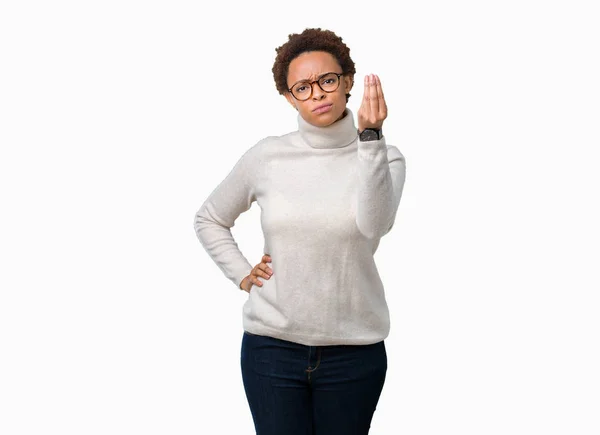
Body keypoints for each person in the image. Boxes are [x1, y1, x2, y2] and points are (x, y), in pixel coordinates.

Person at [193, 27, 407, 435]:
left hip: (354, 351)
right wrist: (241, 272)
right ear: (289, 97)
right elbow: (210, 218)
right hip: (271, 348)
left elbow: (374, 225)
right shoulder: (267, 156)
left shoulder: (384, 156)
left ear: (347, 81)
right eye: (302, 88)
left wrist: (371, 138)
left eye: (327, 81)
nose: (318, 94)